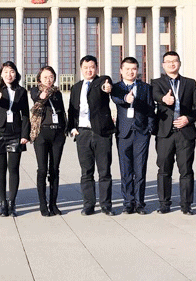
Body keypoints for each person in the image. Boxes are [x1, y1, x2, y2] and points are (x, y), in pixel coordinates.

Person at [152, 51, 196, 215]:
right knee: (164, 169)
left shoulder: (190, 83)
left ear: (179, 63)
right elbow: (155, 95)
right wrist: (163, 99)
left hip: (185, 132)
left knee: (186, 170)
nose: (171, 64)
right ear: (163, 65)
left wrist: (188, 119)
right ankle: (164, 203)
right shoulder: (156, 82)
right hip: (165, 133)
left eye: (174, 61)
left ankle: (186, 205)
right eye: (168, 61)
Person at [66, 55, 116, 216]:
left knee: (104, 171)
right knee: (86, 172)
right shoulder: (76, 87)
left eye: (92, 67)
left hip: (101, 134)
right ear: (81, 69)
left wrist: (106, 87)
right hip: (83, 133)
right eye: (86, 68)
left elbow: (106, 84)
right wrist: (72, 128)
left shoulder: (101, 81)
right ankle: (88, 204)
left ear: (96, 68)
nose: (89, 70)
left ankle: (106, 205)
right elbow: (71, 109)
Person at [110, 57, 155, 215]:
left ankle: (140, 203)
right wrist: (125, 98)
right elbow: (115, 99)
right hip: (124, 133)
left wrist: (149, 129)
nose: (130, 72)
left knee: (140, 169)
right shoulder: (117, 87)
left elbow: (151, 109)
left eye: (134, 69)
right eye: (127, 69)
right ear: (121, 71)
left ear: (137, 70)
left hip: (141, 133)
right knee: (126, 170)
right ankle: (128, 202)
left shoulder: (145, 87)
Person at [0, 61, 30, 217]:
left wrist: (25, 135)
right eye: (5, 72)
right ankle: (2, 203)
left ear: (16, 74)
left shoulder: (21, 91)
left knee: (13, 169)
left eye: (11, 71)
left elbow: (25, 114)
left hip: (15, 133)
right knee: (0, 169)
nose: (9, 75)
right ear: (1, 74)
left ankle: (12, 203)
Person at [29, 66, 67, 216]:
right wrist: (42, 97)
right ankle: (43, 204)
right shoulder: (35, 90)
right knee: (42, 170)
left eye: (51, 77)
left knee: (55, 169)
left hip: (57, 134)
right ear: (39, 78)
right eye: (45, 77)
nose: (48, 80)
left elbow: (62, 111)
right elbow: (36, 99)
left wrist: (64, 129)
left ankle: (53, 204)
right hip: (42, 134)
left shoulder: (57, 93)